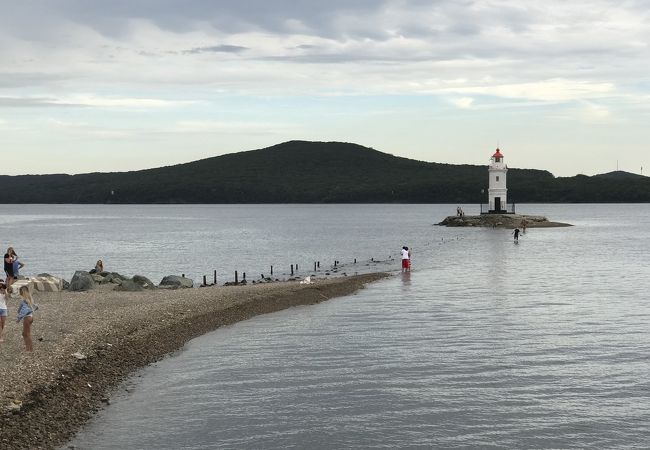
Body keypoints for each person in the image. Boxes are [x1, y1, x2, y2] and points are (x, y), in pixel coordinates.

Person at [16, 285, 37, 352]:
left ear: (21, 292)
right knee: (24, 333)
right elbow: (34, 307)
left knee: (27, 334)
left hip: (27, 318)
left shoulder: (24, 301)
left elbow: (23, 311)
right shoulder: (30, 299)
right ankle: (28, 348)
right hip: (30, 317)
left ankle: (30, 349)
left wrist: (19, 318)